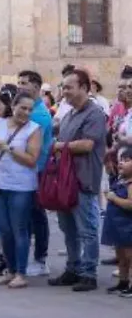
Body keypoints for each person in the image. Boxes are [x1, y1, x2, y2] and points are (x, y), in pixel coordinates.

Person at [49, 68, 109, 292]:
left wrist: (59, 146)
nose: (64, 92)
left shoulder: (94, 114)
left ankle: (88, 273)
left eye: (68, 87)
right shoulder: (70, 114)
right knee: (68, 228)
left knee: (87, 229)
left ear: (84, 88)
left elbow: (87, 144)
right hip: (65, 181)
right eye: (63, 87)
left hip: (83, 179)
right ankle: (73, 268)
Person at [0, 93, 42, 289]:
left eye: (29, 109)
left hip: (22, 186)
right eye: (22, 108)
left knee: (19, 230)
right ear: (14, 106)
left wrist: (8, 148)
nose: (26, 112)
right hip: (0, 184)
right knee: (4, 229)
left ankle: (21, 272)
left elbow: (32, 159)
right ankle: (9, 269)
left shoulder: (34, 129)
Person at [16, 70, 54, 277]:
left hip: (36, 170)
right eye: (19, 82)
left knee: (36, 217)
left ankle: (40, 259)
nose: (20, 86)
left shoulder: (39, 114)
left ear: (37, 88)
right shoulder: (31, 110)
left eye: (24, 83)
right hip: (27, 170)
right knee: (29, 216)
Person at [102, 146, 132, 296]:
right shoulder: (120, 179)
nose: (121, 163)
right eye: (121, 160)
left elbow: (130, 204)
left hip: (127, 226)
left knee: (129, 256)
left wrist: (114, 198)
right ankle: (123, 281)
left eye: (127, 160)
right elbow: (108, 167)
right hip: (117, 226)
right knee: (121, 256)